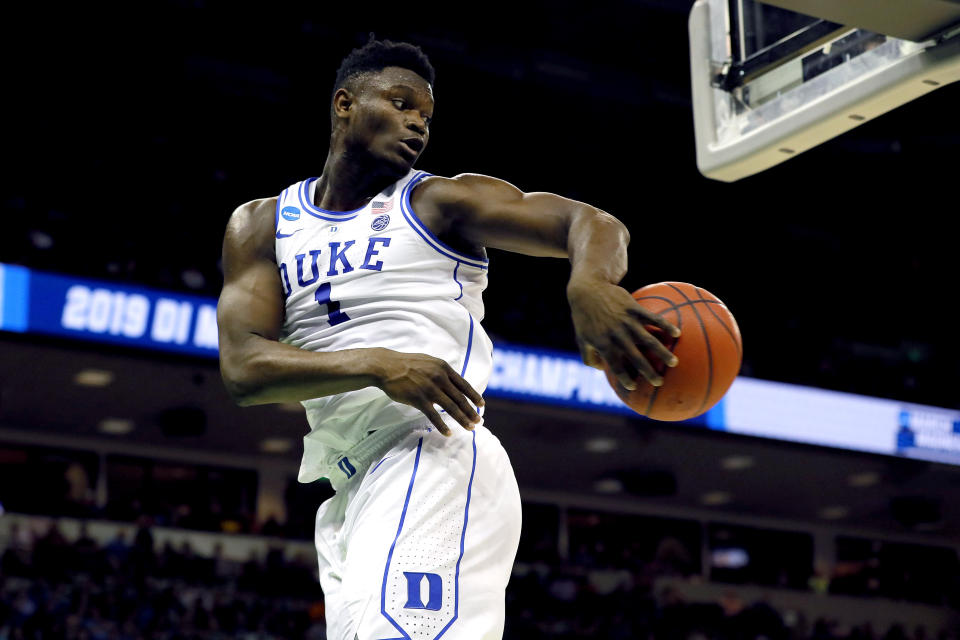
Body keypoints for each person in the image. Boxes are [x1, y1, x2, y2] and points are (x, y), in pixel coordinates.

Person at [217, 37, 679, 640]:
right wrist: (382, 364)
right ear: (345, 104)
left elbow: (588, 222)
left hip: (431, 451)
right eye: (402, 103)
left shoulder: (438, 202)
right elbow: (243, 368)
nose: (417, 124)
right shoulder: (262, 224)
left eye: (426, 117)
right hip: (350, 489)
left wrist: (588, 284)